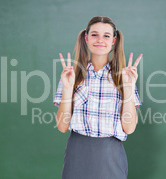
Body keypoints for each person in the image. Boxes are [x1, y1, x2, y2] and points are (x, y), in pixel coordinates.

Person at [53, 16, 142, 179]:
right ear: (86, 38)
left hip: (110, 156)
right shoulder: (71, 75)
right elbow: (62, 126)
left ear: (114, 40)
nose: (100, 40)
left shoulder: (124, 77)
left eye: (106, 36)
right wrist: (67, 88)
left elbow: (129, 128)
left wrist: (128, 89)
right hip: (77, 153)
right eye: (94, 35)